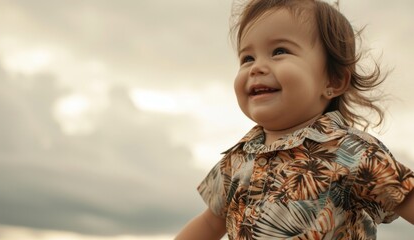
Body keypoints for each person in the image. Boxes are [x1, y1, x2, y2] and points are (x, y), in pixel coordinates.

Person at [176, 0, 414, 239]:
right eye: (247, 58)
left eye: (279, 52)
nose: (256, 67)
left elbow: (406, 197)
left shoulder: (352, 151)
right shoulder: (236, 160)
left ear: (333, 81)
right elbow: (210, 223)